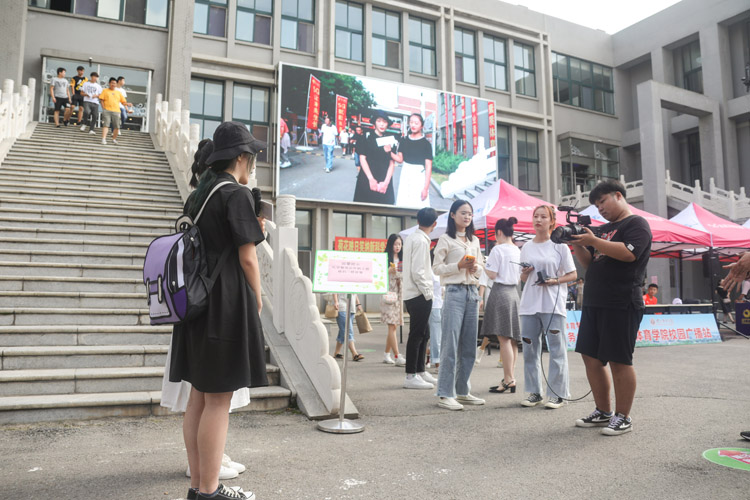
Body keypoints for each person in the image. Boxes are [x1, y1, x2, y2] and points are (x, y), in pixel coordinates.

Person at [169, 121, 267, 500]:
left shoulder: (198, 195)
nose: (252, 164)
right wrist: (257, 296)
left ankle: (199, 485)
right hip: (224, 304)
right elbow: (248, 258)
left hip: (195, 304)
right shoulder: (235, 194)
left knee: (199, 397)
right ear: (241, 157)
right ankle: (209, 491)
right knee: (218, 401)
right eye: (252, 157)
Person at [570, 179, 652, 436]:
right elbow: (589, 263)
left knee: (619, 359)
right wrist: (577, 243)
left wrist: (594, 240)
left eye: (602, 201)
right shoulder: (603, 230)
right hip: (594, 300)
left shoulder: (636, 224)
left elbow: (629, 253)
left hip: (621, 301)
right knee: (590, 356)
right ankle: (603, 411)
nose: (600, 208)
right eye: (596, 205)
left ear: (618, 195)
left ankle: (623, 416)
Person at [518, 206, 577, 409]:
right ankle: (534, 392)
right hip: (529, 305)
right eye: (535, 216)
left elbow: (573, 274)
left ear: (552, 221)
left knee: (557, 350)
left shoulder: (560, 247)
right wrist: (525, 272)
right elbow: (523, 279)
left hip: (553, 304)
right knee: (529, 350)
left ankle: (558, 394)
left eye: (543, 216)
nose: (538, 220)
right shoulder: (526, 246)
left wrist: (554, 281)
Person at [432, 200, 484, 411]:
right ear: (452, 215)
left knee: (469, 345)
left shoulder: (475, 240)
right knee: (450, 344)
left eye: (470, 213)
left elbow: (481, 267)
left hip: (472, 292)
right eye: (463, 213)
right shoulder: (445, 239)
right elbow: (436, 268)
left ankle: (462, 391)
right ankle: (445, 394)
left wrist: (475, 268)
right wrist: (458, 266)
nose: (467, 216)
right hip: (453, 292)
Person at [481, 218, 523, 395]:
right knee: (512, 339)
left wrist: (482, 264)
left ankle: (509, 379)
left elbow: (491, 274)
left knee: (504, 339)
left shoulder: (497, 249)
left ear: (499, 232)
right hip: (514, 293)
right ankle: (509, 378)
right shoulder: (517, 250)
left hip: (500, 292)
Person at [402, 207, 439, 390]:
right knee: (418, 334)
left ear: (417, 221)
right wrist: (427, 292)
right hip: (419, 293)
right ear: (435, 224)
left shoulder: (412, 238)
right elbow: (418, 272)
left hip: (412, 293)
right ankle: (411, 375)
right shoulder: (421, 241)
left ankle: (420, 371)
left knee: (423, 333)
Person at [353, 110, 399, 205]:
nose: (382, 124)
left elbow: (392, 163)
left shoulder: (390, 140)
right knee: (363, 207)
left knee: (383, 210)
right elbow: (362, 159)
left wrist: (386, 183)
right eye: (379, 121)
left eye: (384, 122)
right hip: (367, 177)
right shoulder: (366, 137)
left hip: (384, 179)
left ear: (387, 124)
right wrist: (371, 179)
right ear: (374, 122)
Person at [394, 113, 433, 208]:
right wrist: (389, 152)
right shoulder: (404, 140)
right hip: (405, 174)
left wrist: (426, 188)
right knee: (403, 203)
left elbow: (428, 167)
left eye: (416, 123)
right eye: (411, 122)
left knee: (419, 206)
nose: (413, 125)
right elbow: (400, 159)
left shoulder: (426, 144)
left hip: (418, 176)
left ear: (421, 126)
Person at [381, 234, 406, 366]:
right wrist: (388, 271)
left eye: (399, 244)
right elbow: (378, 276)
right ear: (390, 244)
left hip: (399, 295)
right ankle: (397, 355)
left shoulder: (403, 259)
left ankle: (386, 354)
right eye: (395, 244)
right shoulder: (384, 258)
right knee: (392, 325)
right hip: (388, 295)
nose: (397, 247)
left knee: (394, 325)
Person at [475, 270, 499, 367]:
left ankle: (502, 359)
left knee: (503, 326)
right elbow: (483, 283)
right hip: (491, 294)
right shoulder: (488, 264)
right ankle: (481, 349)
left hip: (506, 293)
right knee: (492, 326)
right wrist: (480, 299)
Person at [332, 293, 364, 361]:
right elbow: (334, 290)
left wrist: (358, 303)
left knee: (342, 332)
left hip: (351, 308)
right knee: (348, 331)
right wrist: (336, 301)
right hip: (342, 307)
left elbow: (354, 292)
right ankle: (355, 354)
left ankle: (336, 353)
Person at [99, 77, 130, 145]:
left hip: (116, 111)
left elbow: (123, 102)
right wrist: (103, 108)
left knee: (117, 126)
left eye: (115, 83)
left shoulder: (118, 92)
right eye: (112, 83)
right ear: (109, 83)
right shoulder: (105, 91)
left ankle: (114, 139)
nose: (113, 84)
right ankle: (103, 139)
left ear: (116, 84)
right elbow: (101, 100)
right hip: (107, 110)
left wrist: (128, 104)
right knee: (106, 125)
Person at [428, 266, 443, 372]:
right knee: (436, 336)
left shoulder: (444, 269)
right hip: (434, 305)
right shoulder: (430, 271)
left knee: (441, 336)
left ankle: (431, 357)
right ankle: (438, 363)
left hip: (443, 305)